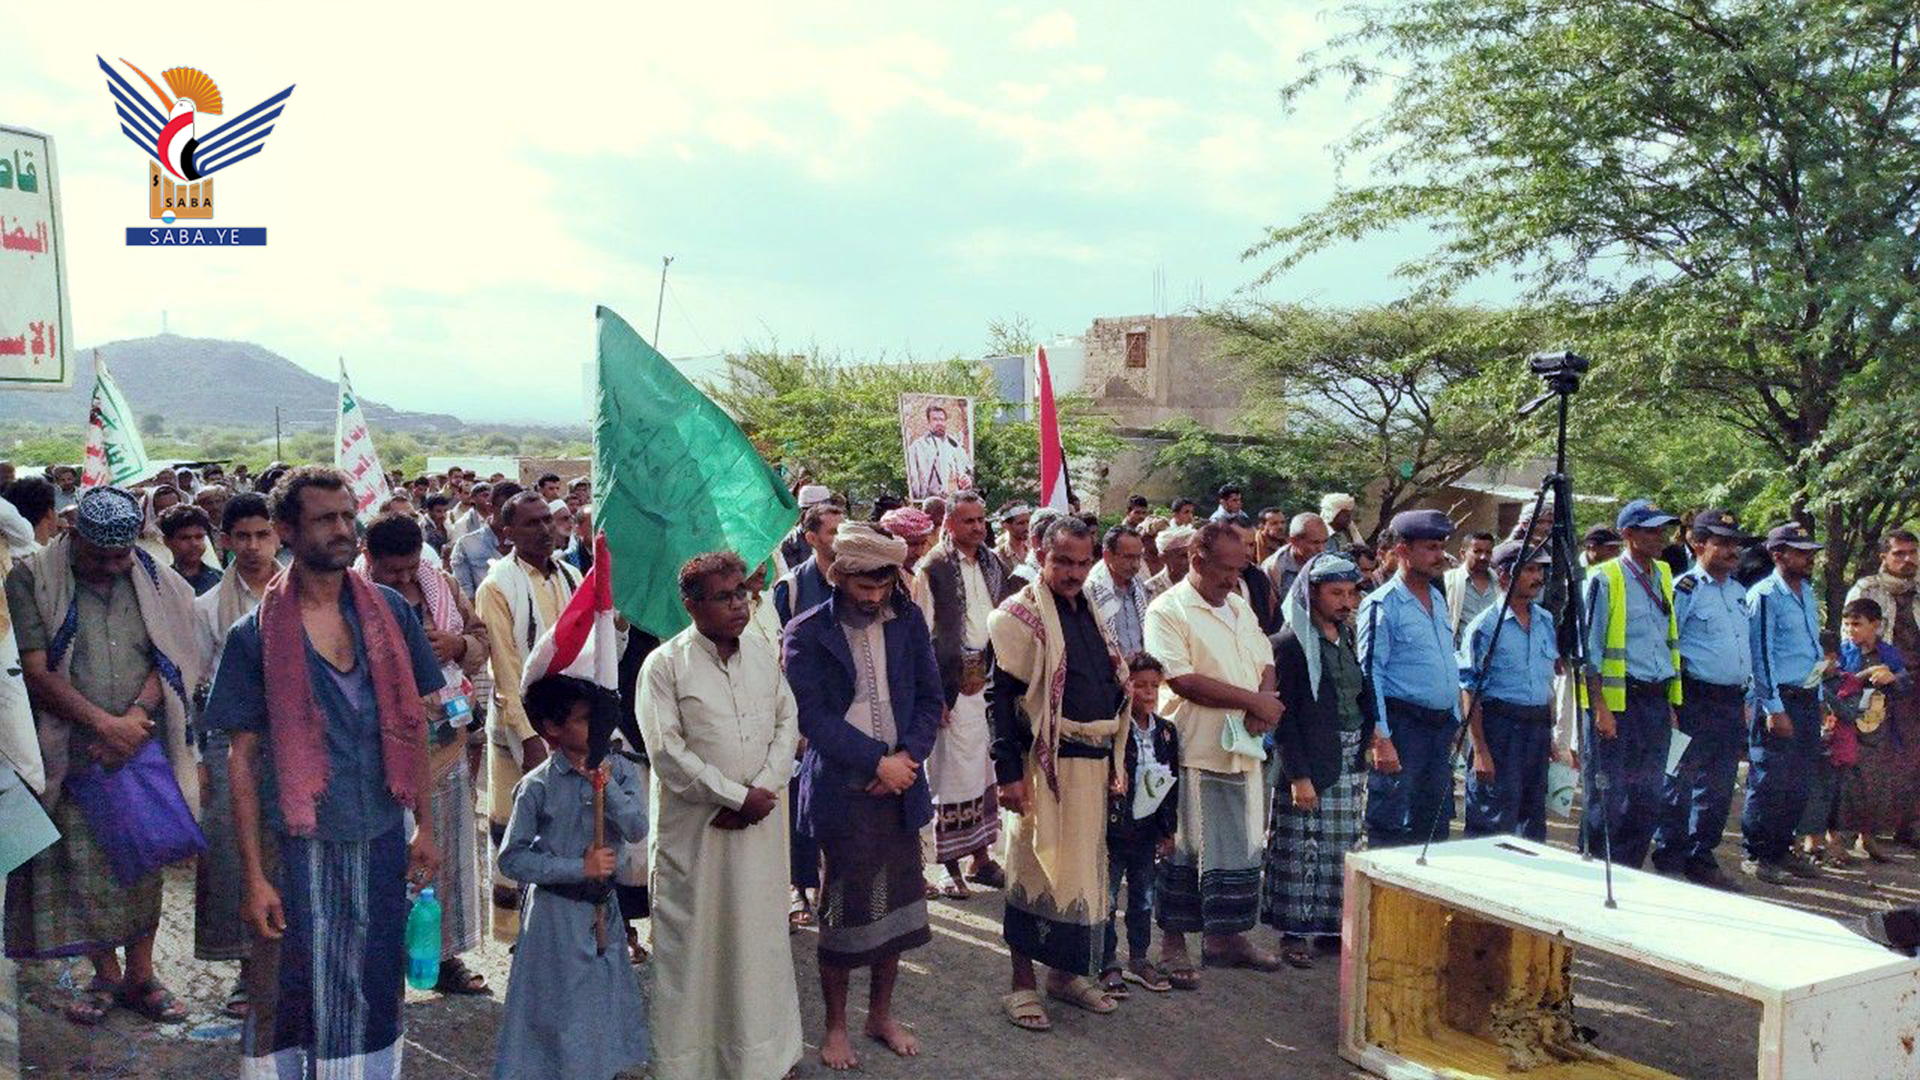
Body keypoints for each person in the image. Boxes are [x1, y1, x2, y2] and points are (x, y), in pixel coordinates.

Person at [203, 466, 445, 1078]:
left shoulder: (390, 613)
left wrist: (426, 826)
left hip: (381, 834)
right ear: (287, 530)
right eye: (324, 519)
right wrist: (253, 877)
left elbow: (415, 722)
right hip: (295, 844)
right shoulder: (254, 636)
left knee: (374, 978)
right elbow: (241, 759)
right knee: (290, 985)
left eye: (346, 516)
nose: (342, 530)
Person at [4, 486, 203, 1025]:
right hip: (70, 750)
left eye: (123, 555)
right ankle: (107, 976)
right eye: (101, 557)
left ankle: (142, 975)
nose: (115, 567)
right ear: (74, 536)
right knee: (86, 872)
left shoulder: (156, 577)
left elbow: (173, 653)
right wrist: (102, 725)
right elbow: (36, 671)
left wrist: (133, 719)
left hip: (142, 748)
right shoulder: (32, 579)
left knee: (144, 863)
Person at [636, 550, 802, 1077]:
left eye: (742, 594)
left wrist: (762, 791)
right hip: (699, 832)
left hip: (761, 824)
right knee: (696, 949)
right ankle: (691, 1066)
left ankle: (766, 1059)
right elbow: (666, 752)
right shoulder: (664, 666)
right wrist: (733, 797)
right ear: (690, 605)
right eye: (724, 597)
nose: (739, 605)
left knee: (758, 942)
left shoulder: (761, 653)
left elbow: (787, 722)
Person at [784, 526, 937, 1069]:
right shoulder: (806, 632)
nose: (873, 597)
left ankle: (880, 1016)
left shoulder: (908, 620)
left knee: (896, 909)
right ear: (838, 577)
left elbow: (929, 698)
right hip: (842, 790)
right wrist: (877, 762)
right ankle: (835, 1027)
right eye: (862, 587)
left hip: (901, 784)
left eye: (882, 586)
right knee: (844, 913)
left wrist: (907, 760)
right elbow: (813, 718)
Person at [990, 515, 1133, 1028]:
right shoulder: (1017, 617)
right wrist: (1008, 774)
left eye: (1082, 562)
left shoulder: (1090, 609)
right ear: (1040, 554)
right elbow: (1001, 700)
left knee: (1081, 877)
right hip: (1042, 768)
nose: (1073, 573)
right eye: (1063, 562)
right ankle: (1021, 985)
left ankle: (1065, 976)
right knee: (1033, 870)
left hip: (1094, 767)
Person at [1145, 520, 1284, 983]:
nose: (1232, 577)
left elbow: (1265, 657)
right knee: (1186, 848)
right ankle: (1173, 945)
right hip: (1194, 748)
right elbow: (1181, 679)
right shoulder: (1168, 609)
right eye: (1225, 568)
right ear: (1196, 560)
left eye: (1239, 568)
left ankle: (1227, 938)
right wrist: (1252, 702)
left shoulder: (1239, 604)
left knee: (1241, 845)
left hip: (1243, 746)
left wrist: (1264, 699)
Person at [493, 675, 649, 1080]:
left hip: (602, 911)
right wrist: (578, 867)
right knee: (556, 1013)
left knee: (600, 1006)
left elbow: (637, 827)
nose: (594, 727)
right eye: (581, 720)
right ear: (553, 728)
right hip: (554, 916)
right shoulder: (537, 786)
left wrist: (605, 786)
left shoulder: (619, 771)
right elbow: (512, 859)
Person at [362, 513, 493, 996]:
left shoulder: (443, 587)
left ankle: (442, 956)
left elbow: (481, 639)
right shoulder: (351, 596)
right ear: (368, 558)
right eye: (391, 571)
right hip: (382, 746)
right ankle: (380, 962)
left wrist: (456, 644)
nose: (402, 580)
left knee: (448, 853)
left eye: (409, 569)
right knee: (385, 858)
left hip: (444, 740)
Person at [475, 491, 587, 938]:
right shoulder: (496, 586)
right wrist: (529, 736)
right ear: (508, 534)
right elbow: (504, 668)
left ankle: (566, 928)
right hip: (519, 728)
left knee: (570, 828)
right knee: (517, 831)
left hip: (571, 723)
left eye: (547, 520)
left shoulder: (572, 576)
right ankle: (518, 934)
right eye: (531, 523)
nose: (544, 529)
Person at [191, 492, 283, 1016]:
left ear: (278, 536)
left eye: (262, 535)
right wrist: (199, 759)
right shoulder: (207, 608)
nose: (252, 546)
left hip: (296, 742)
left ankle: (293, 966)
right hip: (230, 743)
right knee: (236, 855)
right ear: (224, 541)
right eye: (242, 537)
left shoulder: (303, 593)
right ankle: (248, 972)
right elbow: (194, 685)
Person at [1263, 552, 1371, 968]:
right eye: (1335, 593)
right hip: (1307, 760)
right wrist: (1299, 775)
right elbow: (1284, 716)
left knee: (1340, 849)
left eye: (1350, 593)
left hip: (1346, 756)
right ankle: (1293, 934)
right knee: (1301, 849)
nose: (1345, 602)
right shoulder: (1289, 644)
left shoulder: (1348, 637)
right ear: (1312, 594)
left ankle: (1330, 930)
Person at [911, 492, 1013, 898]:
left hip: (988, 682)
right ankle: (948, 866)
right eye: (968, 521)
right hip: (950, 687)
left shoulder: (994, 563)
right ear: (949, 524)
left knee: (984, 772)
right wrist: (932, 694)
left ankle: (980, 859)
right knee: (949, 776)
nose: (978, 527)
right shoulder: (933, 567)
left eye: (981, 520)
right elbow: (921, 635)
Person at [1650, 509, 1753, 888]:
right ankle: (1670, 854)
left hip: (1730, 700)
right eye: (1722, 543)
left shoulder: (1738, 592)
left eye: (1735, 543)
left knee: (1719, 785)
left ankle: (1701, 855)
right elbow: (1667, 645)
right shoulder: (1685, 589)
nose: (1731, 551)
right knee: (1679, 780)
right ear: (1697, 544)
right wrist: (1670, 703)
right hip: (1693, 698)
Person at [1579, 499, 1682, 870]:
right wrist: (1600, 708)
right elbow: (1589, 651)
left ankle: (1629, 872)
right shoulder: (1605, 578)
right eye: (1651, 530)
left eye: (1662, 529)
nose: (1660, 537)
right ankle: (1595, 871)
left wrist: (1669, 704)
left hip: (1654, 701)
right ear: (1628, 534)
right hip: (1618, 703)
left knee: (1648, 797)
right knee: (1607, 797)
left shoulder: (1664, 574)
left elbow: (1665, 642)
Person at [1358, 510, 1461, 850]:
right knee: (1392, 825)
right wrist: (1381, 739)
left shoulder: (1437, 598)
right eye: (1431, 547)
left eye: (1441, 547)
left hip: (1438, 729)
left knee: (1434, 828)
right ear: (1402, 550)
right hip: (1403, 728)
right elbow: (1370, 673)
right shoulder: (1382, 604)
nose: (1440, 555)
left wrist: (1454, 716)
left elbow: (1446, 659)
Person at [1741, 523, 1827, 883]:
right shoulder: (1764, 595)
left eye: (1810, 552)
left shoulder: (1806, 591)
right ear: (1778, 555)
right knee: (1769, 780)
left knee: (1798, 782)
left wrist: (1818, 696)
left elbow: (1813, 648)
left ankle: (1781, 849)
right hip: (1780, 700)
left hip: (1806, 698)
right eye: (1801, 552)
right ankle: (1757, 854)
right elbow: (1760, 656)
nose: (1809, 558)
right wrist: (1772, 707)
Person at [1458, 541, 1558, 841]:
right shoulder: (1486, 626)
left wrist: (1550, 736)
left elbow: (1546, 682)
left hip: (1536, 728)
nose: (1538, 577)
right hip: (1501, 730)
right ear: (1504, 576)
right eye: (1530, 570)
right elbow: (1470, 691)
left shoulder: (1545, 621)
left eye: (1540, 570)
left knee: (1532, 820)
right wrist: (1480, 751)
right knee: (1493, 818)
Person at [1100, 652, 1180, 994]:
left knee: (1143, 898)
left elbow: (1171, 784)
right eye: (1140, 685)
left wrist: (1168, 830)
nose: (1148, 693)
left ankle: (1138, 959)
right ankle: (1106, 962)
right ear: (1125, 687)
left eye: (1154, 686)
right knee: (1107, 899)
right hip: (1115, 829)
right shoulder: (1113, 729)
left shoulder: (1166, 733)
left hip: (1147, 832)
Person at [1844, 529, 1920, 847]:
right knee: (1870, 756)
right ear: (1883, 557)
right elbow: (1849, 637)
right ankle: (1863, 828)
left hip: (1911, 684)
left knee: (1913, 754)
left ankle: (1910, 824)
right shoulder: (1867, 589)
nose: (1908, 559)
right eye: (1899, 553)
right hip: (1874, 683)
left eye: (1912, 552)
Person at [1829, 602, 1907, 862]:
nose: (1851, 630)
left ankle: (1867, 835)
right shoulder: (1842, 653)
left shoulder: (1888, 654)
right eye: (1847, 625)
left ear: (1875, 625)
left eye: (1857, 624)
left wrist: (1892, 678)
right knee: (1842, 785)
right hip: (1847, 729)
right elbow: (1835, 684)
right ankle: (1834, 838)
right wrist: (1866, 674)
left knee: (1874, 784)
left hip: (1879, 729)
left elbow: (1905, 682)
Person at [774, 501, 842, 624]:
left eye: (844, 531)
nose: (842, 538)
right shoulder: (791, 587)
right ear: (812, 538)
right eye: (834, 532)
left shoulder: (858, 580)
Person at [1087, 524, 1150, 657]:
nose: (1136, 565)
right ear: (1107, 555)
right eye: (1128, 557)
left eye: (1139, 557)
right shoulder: (1091, 591)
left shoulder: (1139, 586)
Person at [451, 481, 520, 600]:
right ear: (490, 508)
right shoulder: (467, 545)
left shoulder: (529, 543)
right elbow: (465, 596)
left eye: (517, 511)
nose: (512, 516)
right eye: (506, 510)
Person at [905, 401, 974, 499]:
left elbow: (968, 471)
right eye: (935, 419)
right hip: (931, 500)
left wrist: (967, 480)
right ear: (929, 423)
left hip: (954, 500)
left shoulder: (955, 446)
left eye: (942, 419)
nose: (939, 423)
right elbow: (913, 479)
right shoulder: (918, 446)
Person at [1444, 531, 1498, 645]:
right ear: (1463, 554)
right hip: (1460, 651)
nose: (1483, 557)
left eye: (1488, 552)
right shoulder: (1449, 581)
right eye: (1477, 551)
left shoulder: (1500, 584)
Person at [159, 503, 223, 596]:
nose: (194, 544)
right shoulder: (160, 582)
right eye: (184, 538)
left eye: (199, 537)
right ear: (167, 541)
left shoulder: (220, 580)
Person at [1263, 512, 1330, 597]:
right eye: (1315, 543)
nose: (1321, 549)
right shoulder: (1274, 568)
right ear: (1294, 541)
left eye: (1325, 542)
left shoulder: (1330, 561)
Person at [879, 505, 937, 576]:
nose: (919, 552)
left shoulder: (922, 570)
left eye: (923, 543)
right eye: (912, 544)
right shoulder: (878, 576)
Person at [1144, 524, 1196, 599]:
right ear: (1164, 558)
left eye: (1192, 555)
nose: (1190, 560)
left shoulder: (1202, 585)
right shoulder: (1150, 589)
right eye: (1183, 556)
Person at [994, 503, 1033, 569]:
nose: (1026, 527)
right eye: (1021, 523)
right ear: (1006, 525)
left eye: (1028, 522)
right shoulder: (999, 556)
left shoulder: (1034, 549)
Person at [423, 493, 453, 558]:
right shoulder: (423, 528)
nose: (443, 515)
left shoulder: (447, 524)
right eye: (439, 511)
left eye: (445, 511)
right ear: (429, 511)